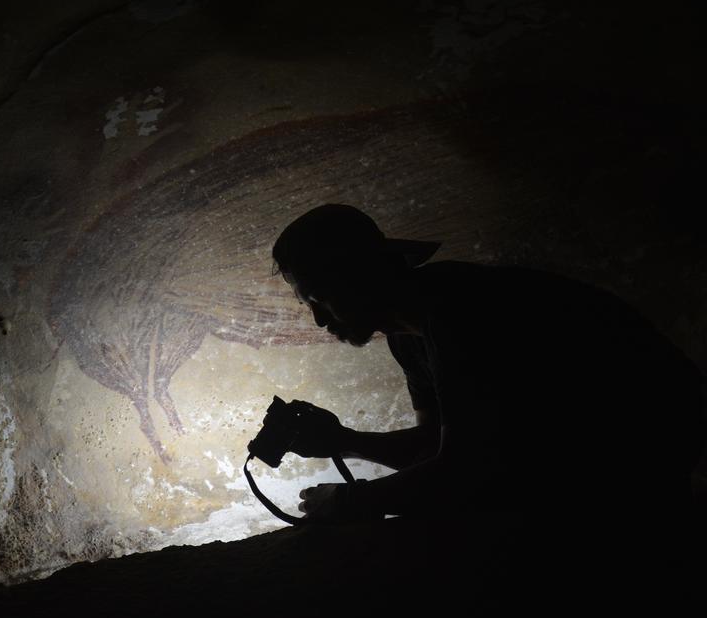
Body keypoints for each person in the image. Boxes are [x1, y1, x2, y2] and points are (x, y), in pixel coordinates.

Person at [269, 204, 705, 526]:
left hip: (641, 460)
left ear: (359, 276)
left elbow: (468, 471)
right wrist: (342, 440)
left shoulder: (463, 312)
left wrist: (349, 501)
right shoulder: (409, 335)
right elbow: (440, 448)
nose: (320, 319)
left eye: (319, 299)